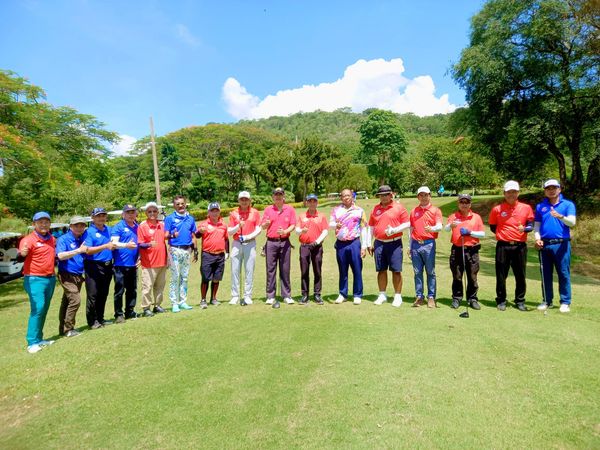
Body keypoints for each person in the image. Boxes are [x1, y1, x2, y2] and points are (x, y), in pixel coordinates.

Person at [489, 180, 535, 311]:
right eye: (509, 192)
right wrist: (504, 235)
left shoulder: (526, 208)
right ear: (504, 193)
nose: (511, 194)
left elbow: (530, 225)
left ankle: (520, 300)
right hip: (503, 246)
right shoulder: (497, 209)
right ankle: (501, 300)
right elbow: (493, 227)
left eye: (514, 192)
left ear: (518, 193)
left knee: (520, 274)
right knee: (501, 274)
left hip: (520, 246)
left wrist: (525, 229)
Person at [534, 179, 576, 313]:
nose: (551, 190)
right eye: (548, 188)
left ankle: (565, 301)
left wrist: (560, 216)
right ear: (545, 191)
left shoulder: (567, 205)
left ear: (559, 189)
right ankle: (547, 300)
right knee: (545, 274)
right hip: (545, 244)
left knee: (563, 273)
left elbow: (572, 223)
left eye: (554, 188)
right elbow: (537, 226)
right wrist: (537, 238)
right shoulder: (541, 206)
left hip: (561, 244)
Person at [18, 211, 56, 353]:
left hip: (50, 278)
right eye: (40, 222)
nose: (44, 224)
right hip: (34, 279)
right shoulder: (28, 240)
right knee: (38, 308)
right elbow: (21, 255)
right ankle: (32, 342)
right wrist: (22, 254)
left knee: (44, 309)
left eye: (46, 222)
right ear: (34, 224)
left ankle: (39, 338)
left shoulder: (52, 239)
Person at [367, 185, 410, 307]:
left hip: (394, 243)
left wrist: (395, 230)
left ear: (391, 194)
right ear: (379, 196)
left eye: (386, 194)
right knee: (381, 270)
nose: (384, 197)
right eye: (382, 195)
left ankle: (397, 296)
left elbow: (407, 223)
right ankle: (382, 294)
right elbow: (371, 226)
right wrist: (369, 243)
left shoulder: (399, 207)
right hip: (379, 242)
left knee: (396, 270)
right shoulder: (375, 209)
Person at [445, 194, 485, 310]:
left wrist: (470, 233)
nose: (464, 204)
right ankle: (457, 298)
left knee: (472, 276)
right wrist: (450, 225)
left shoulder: (476, 217)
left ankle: (472, 299)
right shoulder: (453, 216)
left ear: (470, 204)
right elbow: (446, 229)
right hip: (457, 249)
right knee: (457, 276)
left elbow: (482, 234)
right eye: (461, 202)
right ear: (458, 203)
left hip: (472, 250)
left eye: (466, 202)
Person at [329, 188, 369, 305]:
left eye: (348, 195)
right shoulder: (336, 210)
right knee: (342, 270)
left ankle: (357, 294)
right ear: (341, 197)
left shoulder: (359, 211)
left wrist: (364, 247)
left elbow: (363, 229)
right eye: (343, 196)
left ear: (352, 196)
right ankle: (343, 294)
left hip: (354, 243)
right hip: (341, 243)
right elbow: (330, 224)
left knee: (357, 269)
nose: (346, 197)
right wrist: (336, 225)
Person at [261, 187, 296, 309]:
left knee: (285, 269)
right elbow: (263, 226)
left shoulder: (290, 209)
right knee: (271, 270)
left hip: (285, 242)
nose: (278, 197)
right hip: (271, 243)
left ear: (283, 196)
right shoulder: (268, 210)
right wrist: (265, 224)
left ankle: (286, 295)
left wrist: (285, 231)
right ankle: (270, 296)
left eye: (280, 195)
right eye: (276, 195)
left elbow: (293, 224)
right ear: (273, 197)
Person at [409, 186, 443, 308]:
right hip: (416, 244)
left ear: (430, 196)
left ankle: (431, 297)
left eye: (425, 195)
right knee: (417, 272)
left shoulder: (435, 210)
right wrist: (410, 245)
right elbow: (411, 229)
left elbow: (440, 226)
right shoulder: (414, 211)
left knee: (430, 272)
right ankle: (419, 297)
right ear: (418, 197)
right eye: (421, 195)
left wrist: (432, 229)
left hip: (429, 244)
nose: (423, 197)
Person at [84, 207, 117, 329]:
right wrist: (105, 246)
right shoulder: (89, 232)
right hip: (93, 266)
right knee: (93, 295)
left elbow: (113, 244)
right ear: (93, 218)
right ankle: (92, 321)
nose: (101, 218)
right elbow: (87, 250)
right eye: (98, 216)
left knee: (103, 293)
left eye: (103, 215)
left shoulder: (109, 229)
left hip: (108, 265)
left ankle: (100, 318)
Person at [56, 216, 88, 337]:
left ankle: (62, 329)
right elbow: (61, 256)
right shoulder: (63, 239)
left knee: (66, 302)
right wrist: (79, 250)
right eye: (76, 225)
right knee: (75, 300)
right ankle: (68, 329)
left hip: (78, 275)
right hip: (66, 274)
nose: (79, 228)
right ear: (70, 226)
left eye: (82, 225)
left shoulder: (81, 238)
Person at [164, 195, 197, 313]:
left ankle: (183, 301)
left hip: (187, 250)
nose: (180, 205)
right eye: (177, 204)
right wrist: (173, 235)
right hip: (175, 250)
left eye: (182, 203)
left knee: (185, 277)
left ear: (185, 203)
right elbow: (165, 235)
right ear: (174, 205)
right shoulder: (169, 218)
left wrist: (195, 250)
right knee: (175, 277)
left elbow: (193, 235)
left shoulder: (190, 218)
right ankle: (174, 303)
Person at [227, 191, 261, 306]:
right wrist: (238, 226)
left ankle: (247, 296)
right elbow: (230, 232)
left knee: (249, 270)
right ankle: (235, 296)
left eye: (246, 199)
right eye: (242, 199)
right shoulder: (234, 213)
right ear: (238, 201)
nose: (244, 201)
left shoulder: (255, 212)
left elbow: (258, 229)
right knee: (235, 270)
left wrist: (247, 236)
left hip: (250, 243)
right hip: (236, 243)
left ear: (250, 200)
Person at [296, 194, 329, 305]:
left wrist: (317, 242)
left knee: (317, 271)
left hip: (317, 246)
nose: (312, 203)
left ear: (317, 203)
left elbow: (325, 231)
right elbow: (296, 230)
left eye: (314, 201)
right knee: (304, 271)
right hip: (305, 246)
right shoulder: (301, 216)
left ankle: (317, 294)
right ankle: (305, 294)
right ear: (307, 203)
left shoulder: (321, 216)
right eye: (310, 201)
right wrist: (301, 231)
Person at [137, 202, 168, 317]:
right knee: (147, 286)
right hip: (149, 262)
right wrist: (149, 244)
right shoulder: (143, 226)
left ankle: (157, 305)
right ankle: (146, 308)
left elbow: (166, 237)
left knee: (160, 286)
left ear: (158, 212)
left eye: (154, 211)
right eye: (149, 211)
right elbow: (140, 244)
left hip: (162, 261)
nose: (152, 213)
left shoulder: (162, 225)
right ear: (146, 213)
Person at [196, 202, 228, 309]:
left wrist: (227, 252)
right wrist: (200, 232)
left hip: (220, 255)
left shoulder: (223, 225)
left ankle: (213, 298)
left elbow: (226, 239)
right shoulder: (204, 224)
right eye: (212, 211)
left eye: (216, 211)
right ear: (208, 212)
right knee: (205, 278)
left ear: (219, 212)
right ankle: (203, 300)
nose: (214, 213)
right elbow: (197, 235)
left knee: (216, 278)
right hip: (207, 254)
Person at [111, 204, 140, 323]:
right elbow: (113, 244)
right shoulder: (118, 226)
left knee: (132, 289)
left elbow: (140, 244)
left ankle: (130, 311)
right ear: (123, 214)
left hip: (133, 265)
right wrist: (126, 245)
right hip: (119, 264)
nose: (130, 214)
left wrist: (140, 257)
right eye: (128, 212)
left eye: (132, 212)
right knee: (119, 290)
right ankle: (118, 314)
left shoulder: (138, 227)